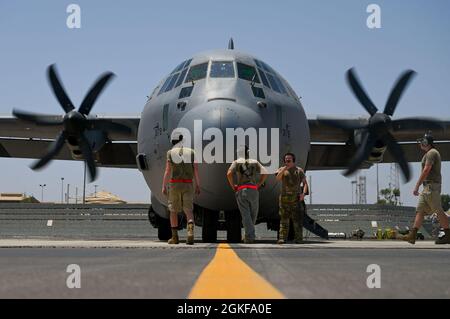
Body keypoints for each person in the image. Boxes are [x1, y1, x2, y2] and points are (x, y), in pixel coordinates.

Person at [403, 132, 450, 244]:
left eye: (422, 142)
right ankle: (412, 236)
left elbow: (426, 169)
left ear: (426, 142)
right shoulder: (429, 153)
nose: (420, 144)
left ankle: (448, 235)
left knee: (438, 210)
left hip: (431, 187)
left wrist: (417, 185)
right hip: (427, 187)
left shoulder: (431, 153)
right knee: (420, 210)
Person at [162, 134, 201, 245]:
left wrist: (163, 185)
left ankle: (175, 238)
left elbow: (167, 171)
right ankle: (190, 234)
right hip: (188, 184)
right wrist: (198, 185)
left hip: (175, 184)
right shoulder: (192, 152)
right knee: (189, 211)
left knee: (173, 211)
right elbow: (196, 170)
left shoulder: (170, 153)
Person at [227, 146, 267, 243]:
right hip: (253, 190)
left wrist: (233, 186)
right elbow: (265, 172)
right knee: (253, 215)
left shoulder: (236, 162)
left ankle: (249, 237)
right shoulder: (254, 162)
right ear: (248, 152)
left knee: (246, 215)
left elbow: (229, 174)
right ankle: (249, 235)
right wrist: (259, 184)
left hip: (242, 190)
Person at [276, 152, 308, 244]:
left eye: (289, 159)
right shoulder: (282, 169)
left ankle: (298, 239)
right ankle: (282, 238)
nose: (287, 160)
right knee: (284, 219)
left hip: (296, 198)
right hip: (284, 198)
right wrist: (284, 169)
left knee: (297, 220)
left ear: (293, 160)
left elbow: (305, 183)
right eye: (286, 159)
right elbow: (277, 178)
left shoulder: (299, 170)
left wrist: (303, 194)